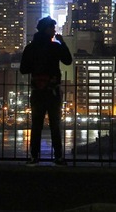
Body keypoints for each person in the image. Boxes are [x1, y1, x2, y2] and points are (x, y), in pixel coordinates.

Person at [19, 16, 73, 166]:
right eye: (53, 28)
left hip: (37, 90)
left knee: (36, 125)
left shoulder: (30, 48)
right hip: (53, 91)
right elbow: (68, 60)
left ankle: (34, 156)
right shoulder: (55, 47)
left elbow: (23, 69)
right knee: (55, 125)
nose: (54, 31)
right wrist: (62, 42)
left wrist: (36, 69)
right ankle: (58, 157)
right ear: (47, 29)